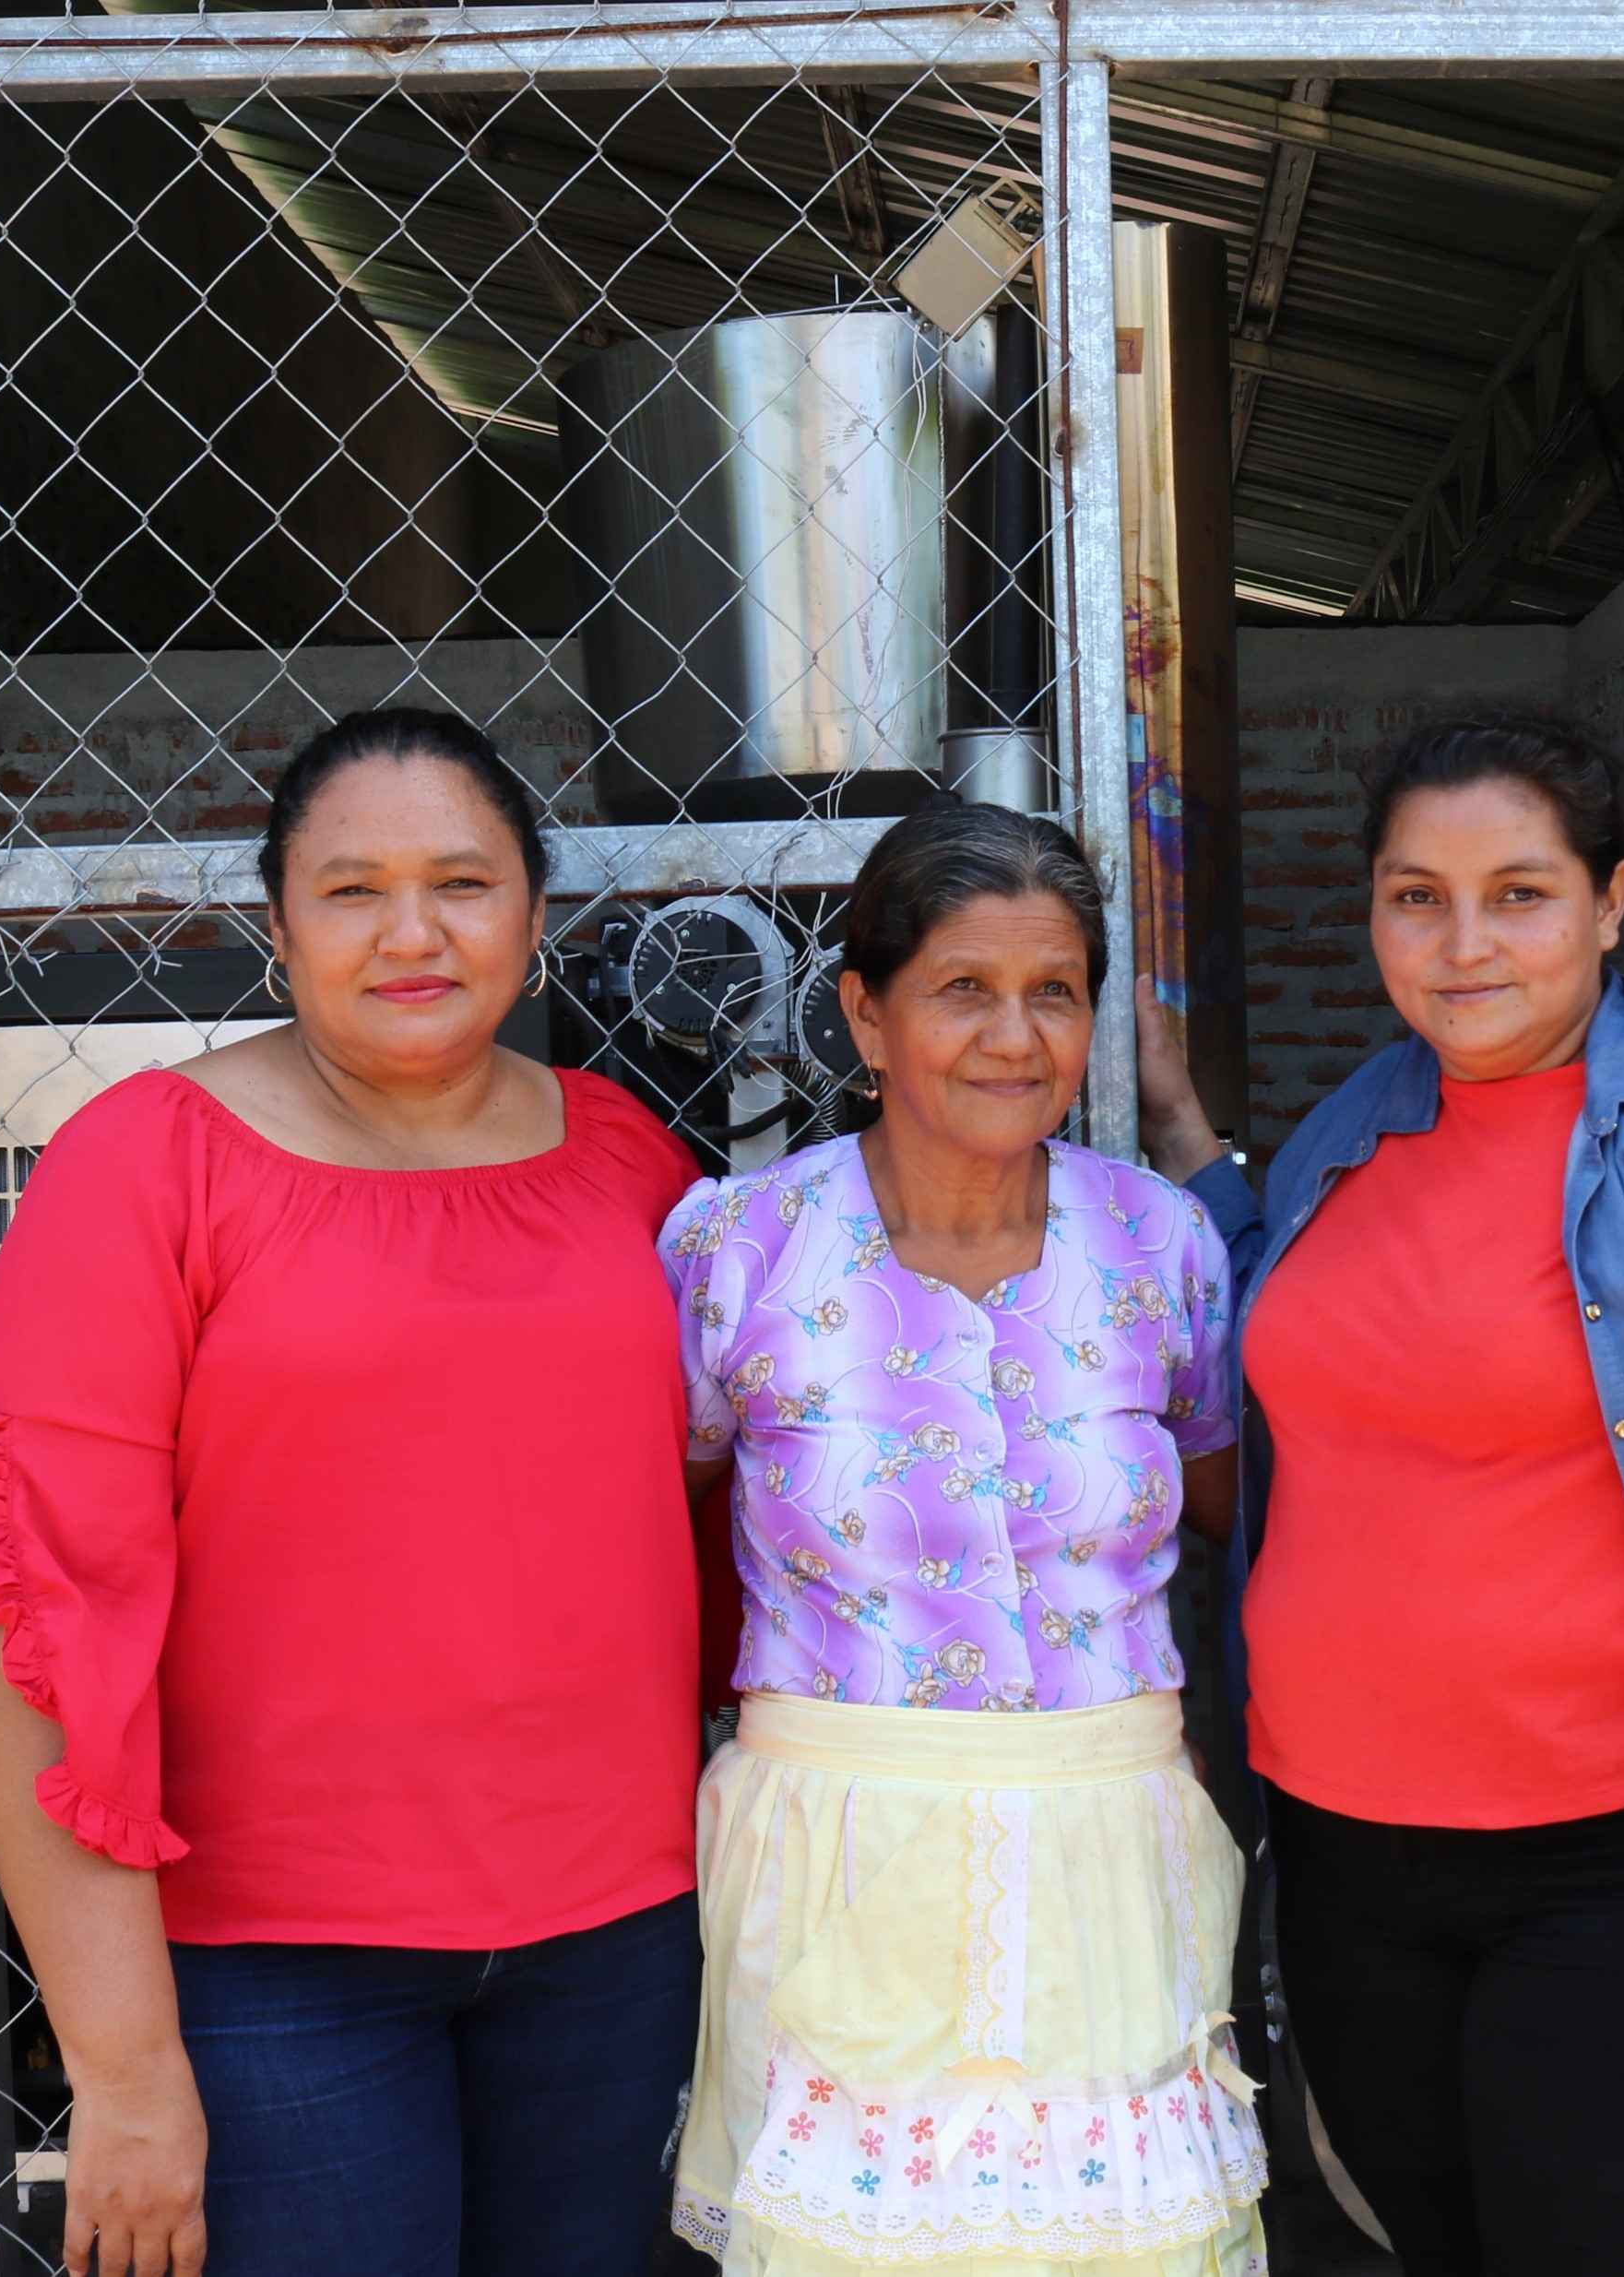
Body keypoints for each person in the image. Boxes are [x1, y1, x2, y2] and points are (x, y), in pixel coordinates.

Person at [0, 708, 711, 2277]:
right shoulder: (148, 1163)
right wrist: (125, 2076)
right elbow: (39, 1620)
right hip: (274, 1969)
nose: (413, 931)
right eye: (352, 890)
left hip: (614, 1945)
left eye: (463, 882)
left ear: (533, 917)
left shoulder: (629, 1164)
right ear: (278, 926)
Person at [1136, 710, 1624, 2277]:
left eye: (1521, 893)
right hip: (1350, 1856)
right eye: (1416, 895)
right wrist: (1189, 1142)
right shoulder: (1363, 1119)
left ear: (1613, 900)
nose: (1463, 941)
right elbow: (1306, 1347)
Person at [658, 801, 1264, 2276]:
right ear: (866, 1012)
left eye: (1054, 990)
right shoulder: (741, 1246)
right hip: (837, 1844)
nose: (1014, 1035)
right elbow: (667, 1520)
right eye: (962, 989)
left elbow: (1227, 1498)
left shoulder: (1159, 1243)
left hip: (1112, 1840)